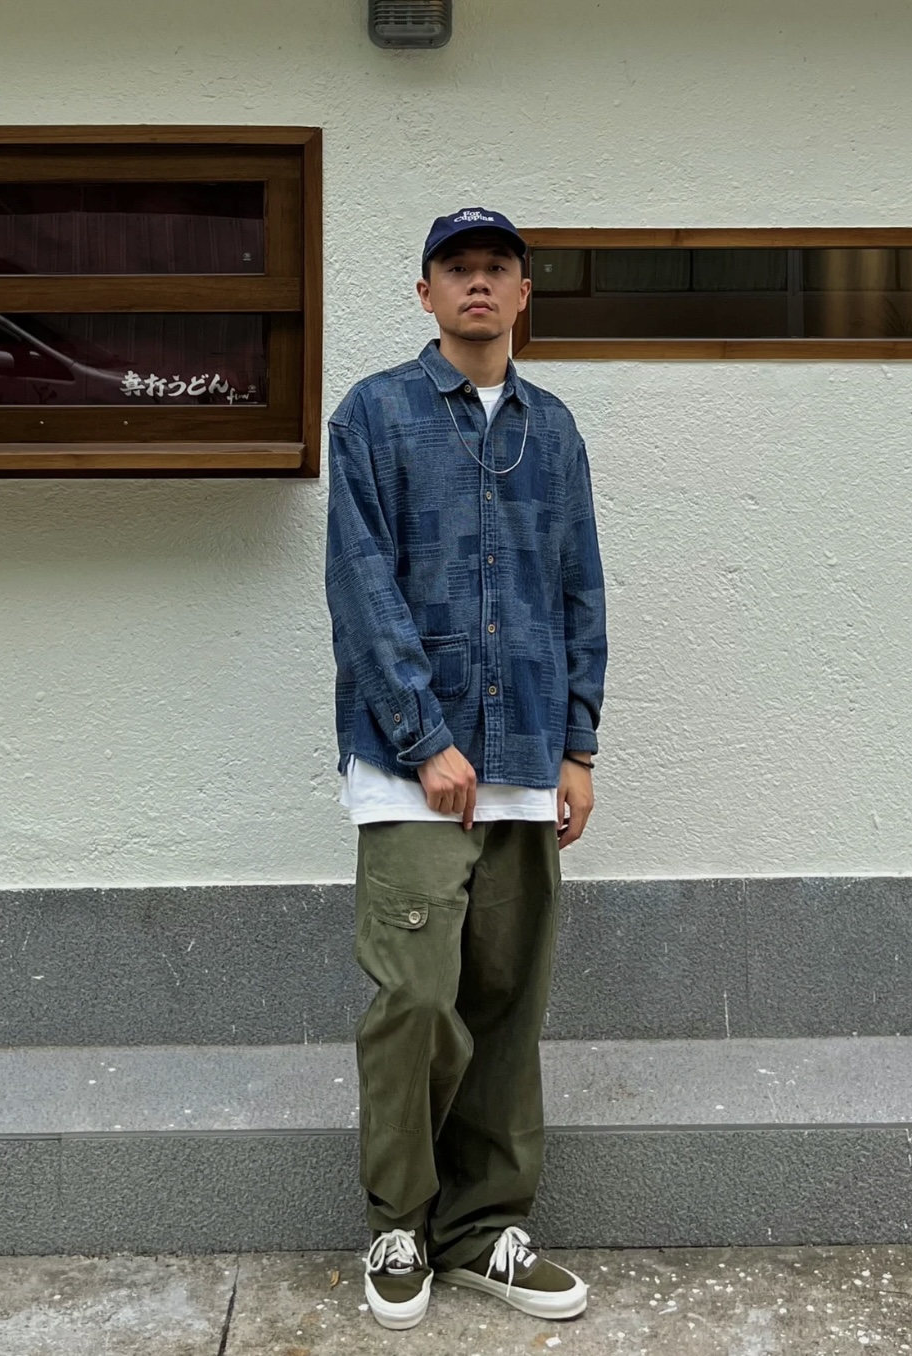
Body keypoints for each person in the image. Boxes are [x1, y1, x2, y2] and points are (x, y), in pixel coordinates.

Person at [324, 207, 607, 1331]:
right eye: (457, 269)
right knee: (415, 999)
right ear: (426, 293)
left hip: (530, 756)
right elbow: (361, 586)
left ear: (524, 293)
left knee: (505, 1002)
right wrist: (423, 737)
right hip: (411, 773)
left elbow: (578, 588)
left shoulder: (555, 430)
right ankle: (400, 1220)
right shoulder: (375, 414)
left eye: (497, 269)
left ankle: (484, 1229)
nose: (478, 285)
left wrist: (578, 745)